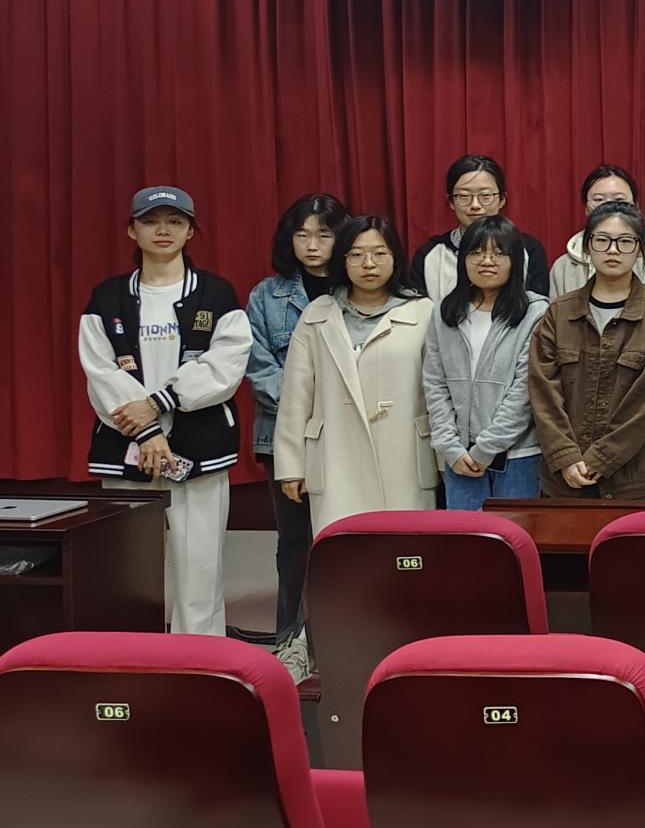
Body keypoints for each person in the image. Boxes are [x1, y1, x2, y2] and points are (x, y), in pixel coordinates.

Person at [82, 185, 253, 637]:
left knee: (201, 565)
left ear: (190, 231)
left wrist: (160, 404)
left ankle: (199, 658)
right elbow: (100, 372)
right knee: (129, 567)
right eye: (151, 221)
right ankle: (133, 657)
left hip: (200, 448)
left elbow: (225, 365)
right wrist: (147, 432)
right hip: (125, 447)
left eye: (175, 222)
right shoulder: (106, 298)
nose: (163, 230)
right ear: (132, 230)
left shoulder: (217, 294)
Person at [276, 213, 436, 532]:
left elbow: (438, 394)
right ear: (343, 260)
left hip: (404, 454)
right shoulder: (317, 314)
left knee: (404, 547)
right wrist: (291, 466)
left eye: (379, 253)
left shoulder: (423, 312)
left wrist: (445, 462)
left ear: (395, 258)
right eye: (357, 254)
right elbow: (296, 396)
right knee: (343, 548)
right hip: (335, 455)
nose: (369, 264)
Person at [526, 200, 645, 500]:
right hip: (564, 481)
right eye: (602, 240)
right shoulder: (559, 312)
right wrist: (565, 455)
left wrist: (601, 458)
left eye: (625, 241)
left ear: (640, 250)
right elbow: (543, 391)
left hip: (637, 481)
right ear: (587, 247)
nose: (613, 250)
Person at [246, 192, 345, 656]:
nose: (312, 244)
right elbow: (258, 365)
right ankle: (289, 637)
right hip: (282, 436)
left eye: (323, 234)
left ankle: (341, 631)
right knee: (294, 539)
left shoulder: (357, 288)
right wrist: (304, 411)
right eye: (302, 235)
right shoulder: (266, 295)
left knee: (341, 536)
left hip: (347, 434)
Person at [422, 215, 549, 510]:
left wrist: (486, 449)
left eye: (499, 253)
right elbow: (434, 383)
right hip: (459, 456)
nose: (487, 261)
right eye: (476, 252)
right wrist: (450, 447)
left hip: (518, 456)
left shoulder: (536, 312)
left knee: (514, 536)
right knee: (466, 538)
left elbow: (525, 390)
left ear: (516, 260)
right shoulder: (444, 312)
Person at [409, 155, 551, 299]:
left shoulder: (528, 250)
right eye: (464, 196)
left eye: (485, 195)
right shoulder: (430, 255)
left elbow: (538, 307)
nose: (475, 205)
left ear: (502, 200)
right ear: (451, 202)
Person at [549, 164, 645, 294]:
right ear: (586, 208)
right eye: (599, 199)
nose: (609, 206)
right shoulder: (562, 267)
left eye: (619, 199)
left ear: (635, 206)